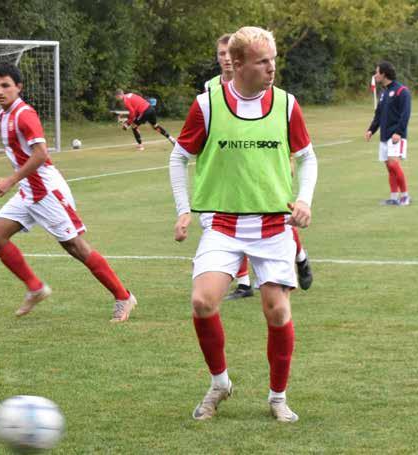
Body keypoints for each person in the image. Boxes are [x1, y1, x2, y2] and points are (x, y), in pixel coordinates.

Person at [169, 27, 318, 422]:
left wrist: (304, 199)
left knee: (277, 312)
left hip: (273, 226)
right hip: (222, 223)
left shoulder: (286, 105)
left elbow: (307, 157)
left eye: (273, 60)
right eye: (263, 61)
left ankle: (277, 398)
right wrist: (183, 208)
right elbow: (178, 157)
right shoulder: (207, 105)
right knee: (202, 301)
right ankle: (219, 383)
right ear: (236, 64)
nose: (272, 68)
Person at [0, 62, 137, 322]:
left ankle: (123, 296)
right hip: (28, 191)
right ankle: (35, 288)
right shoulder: (3, 116)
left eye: (5, 86)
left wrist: (10, 180)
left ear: (18, 87)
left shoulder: (24, 115)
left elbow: (41, 154)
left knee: (75, 247)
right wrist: (17, 181)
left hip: (47, 191)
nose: (0, 91)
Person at [204, 34, 314, 301]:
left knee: (277, 215)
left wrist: (286, 160)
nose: (225, 59)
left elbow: (276, 127)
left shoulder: (266, 84)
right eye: (221, 54)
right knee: (231, 219)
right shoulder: (210, 88)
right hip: (230, 169)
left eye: (227, 54)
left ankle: (299, 255)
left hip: (265, 164)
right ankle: (243, 283)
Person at [365, 61, 411, 206]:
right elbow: (378, 115)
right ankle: (394, 197)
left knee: (393, 164)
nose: (375, 75)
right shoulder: (384, 93)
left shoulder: (402, 91)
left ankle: (405, 196)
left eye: (377, 72)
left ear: (384, 74)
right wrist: (371, 130)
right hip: (384, 136)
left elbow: (405, 114)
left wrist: (399, 132)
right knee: (389, 167)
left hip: (396, 136)